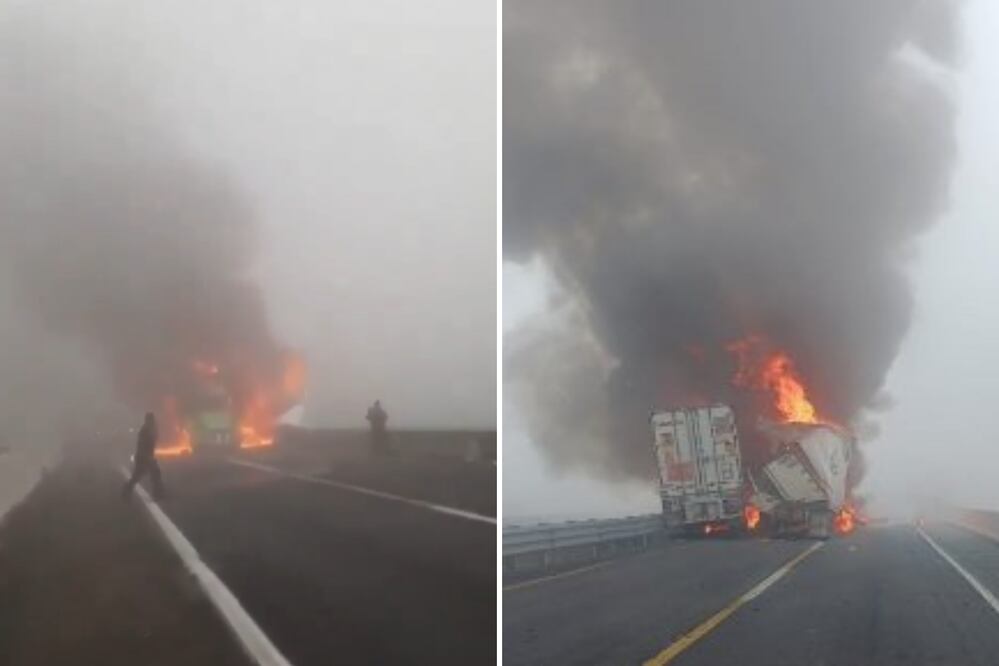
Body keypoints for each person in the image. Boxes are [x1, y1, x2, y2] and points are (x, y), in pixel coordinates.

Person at [121, 412, 164, 500]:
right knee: (142, 475)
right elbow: (142, 444)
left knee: (150, 474)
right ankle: (157, 493)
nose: (153, 421)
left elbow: (155, 440)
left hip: (146, 456)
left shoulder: (150, 429)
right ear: (148, 420)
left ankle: (157, 492)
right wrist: (147, 457)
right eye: (151, 419)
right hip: (143, 456)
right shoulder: (144, 430)